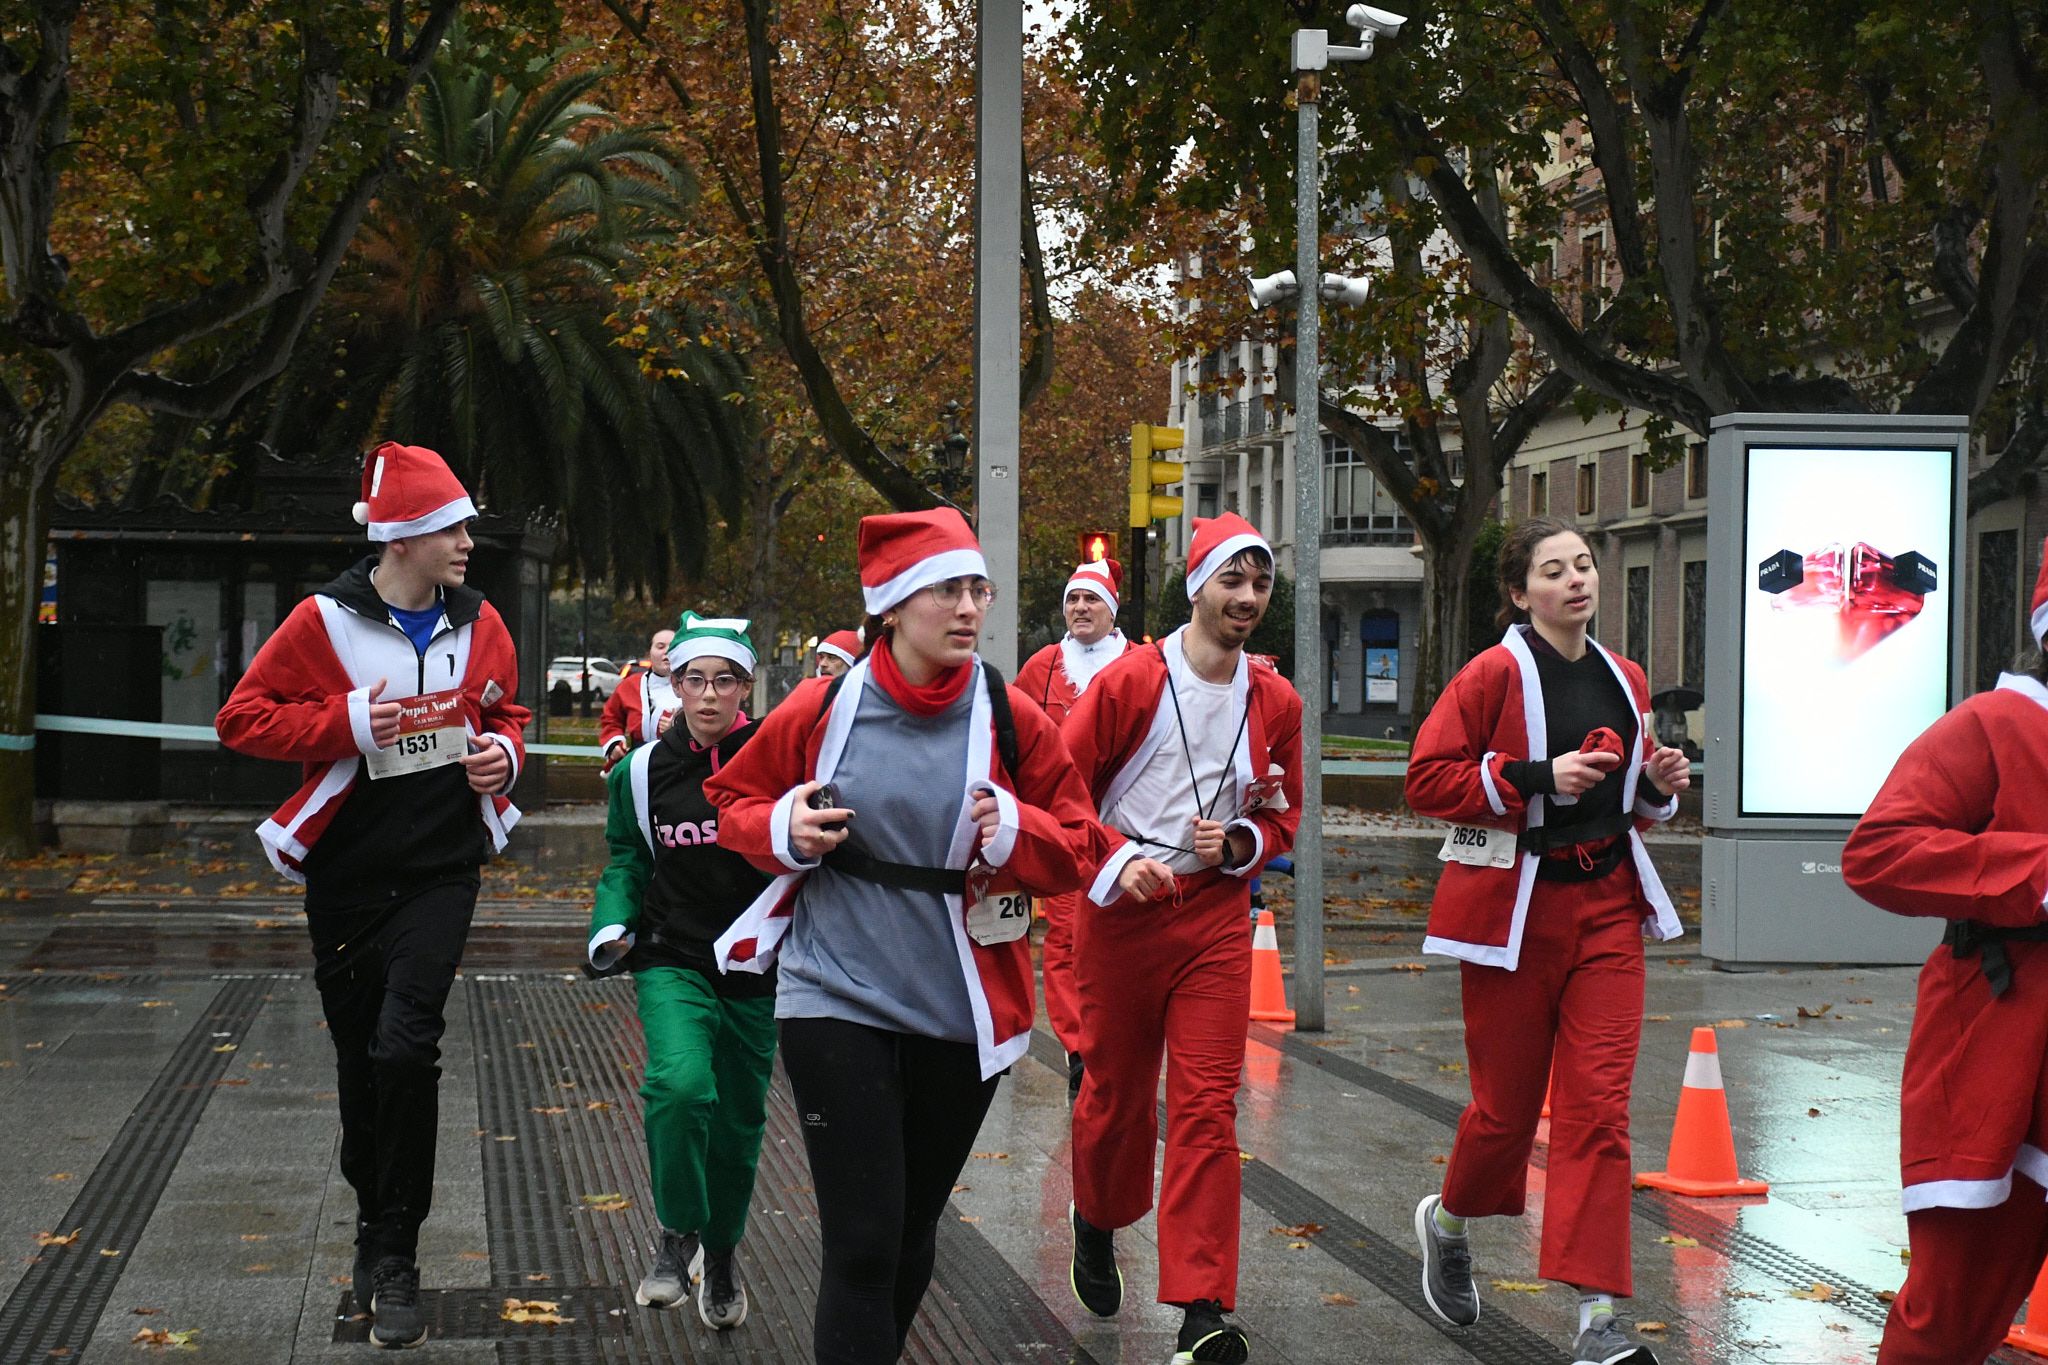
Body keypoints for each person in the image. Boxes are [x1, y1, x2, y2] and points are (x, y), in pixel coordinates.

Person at [704, 508, 1100, 1365]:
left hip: (961, 1006)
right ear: (891, 604)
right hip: (833, 991)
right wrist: (783, 827)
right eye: (944, 590)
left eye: (977, 590)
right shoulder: (825, 704)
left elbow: (1080, 847)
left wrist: (1016, 830)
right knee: (863, 1240)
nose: (967, 608)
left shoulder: (1008, 714)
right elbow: (733, 802)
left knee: (913, 1227)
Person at [216, 441, 526, 1350]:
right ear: (400, 538)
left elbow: (507, 714)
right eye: (450, 527)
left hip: (442, 870)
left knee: (405, 1045)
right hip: (347, 877)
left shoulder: (482, 620)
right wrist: (347, 720)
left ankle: (398, 1253)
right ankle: (372, 1217)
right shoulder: (322, 620)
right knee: (362, 1062)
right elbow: (241, 718)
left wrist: (502, 756)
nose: (467, 542)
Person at [1404, 516, 1686, 1365]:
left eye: (1585, 564)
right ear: (1520, 592)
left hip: (1608, 908)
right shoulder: (1493, 672)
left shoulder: (1625, 677)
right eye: (1555, 569)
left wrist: (1656, 785)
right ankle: (1448, 1222)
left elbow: (1632, 804)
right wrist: (1535, 776)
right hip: (1516, 918)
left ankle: (1598, 1320)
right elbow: (1427, 779)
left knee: (1598, 1111)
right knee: (1505, 1114)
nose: (1576, 580)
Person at [1061, 512, 1303, 1365]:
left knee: (1206, 1106)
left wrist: (1240, 843)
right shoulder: (1129, 682)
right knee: (1116, 1098)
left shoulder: (1276, 700)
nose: (1247, 597)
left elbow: (1284, 815)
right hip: (1122, 915)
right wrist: (1116, 859)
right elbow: (1061, 790)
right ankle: (1095, 1218)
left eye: (1260, 583)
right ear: (1196, 586)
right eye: (1232, 580)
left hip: (1214, 918)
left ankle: (1202, 1310)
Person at [1842, 541, 2048, 1364]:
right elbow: (1878, 852)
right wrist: (2036, 873)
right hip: (2001, 1043)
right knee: (1949, 1315)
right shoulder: (1996, 723)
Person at [587, 612, 774, 1331]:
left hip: (755, 965)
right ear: (674, 685)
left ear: (745, 688)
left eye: (725, 680)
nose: (709, 694)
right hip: (672, 956)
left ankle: (720, 1254)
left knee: (737, 1125)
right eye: (695, 680)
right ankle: (677, 1232)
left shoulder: (775, 761)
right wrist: (612, 926)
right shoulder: (639, 772)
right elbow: (627, 858)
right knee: (679, 1085)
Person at [1014, 557, 1136, 1095]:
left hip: (1126, 832)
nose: (1080, 608)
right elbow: (1012, 735)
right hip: (1063, 830)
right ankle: (1079, 1048)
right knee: (1063, 941)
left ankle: (1116, 1038)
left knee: (1119, 938)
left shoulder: (1140, 665)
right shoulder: (1041, 667)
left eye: (1091, 599)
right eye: (1073, 599)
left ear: (1112, 610)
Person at [601, 626, 680, 772]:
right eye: (660, 646)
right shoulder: (630, 685)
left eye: (673, 646)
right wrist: (615, 743)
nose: (667, 651)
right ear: (649, 653)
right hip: (637, 763)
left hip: (679, 765)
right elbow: (610, 718)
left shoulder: (694, 685)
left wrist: (678, 729)